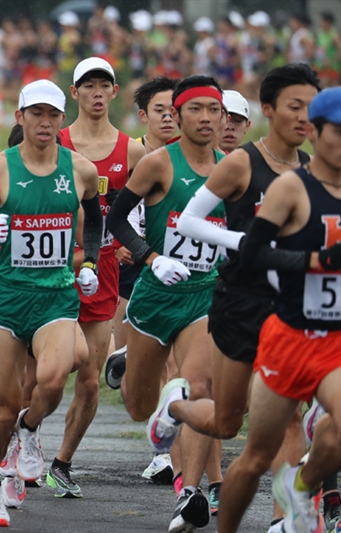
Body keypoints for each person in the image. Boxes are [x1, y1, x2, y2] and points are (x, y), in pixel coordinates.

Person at [174, 64, 321, 533]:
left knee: (290, 418)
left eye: (311, 109)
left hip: (292, 306)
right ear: (269, 109)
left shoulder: (314, 168)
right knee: (226, 422)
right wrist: (251, 245)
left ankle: (283, 520)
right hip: (240, 301)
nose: (304, 118)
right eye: (294, 107)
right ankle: (174, 406)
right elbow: (189, 222)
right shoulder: (241, 162)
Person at [0, 79, 100, 526]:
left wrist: (89, 262)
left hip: (56, 296)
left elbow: (95, 218)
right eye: (36, 113)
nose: (45, 122)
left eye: (53, 114)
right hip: (9, 301)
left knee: (53, 380)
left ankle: (30, 428)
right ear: (20, 117)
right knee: (1, 409)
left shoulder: (81, 170)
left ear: (62, 119)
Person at [106, 75, 227, 533]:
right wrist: (150, 258)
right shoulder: (159, 164)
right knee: (138, 406)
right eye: (194, 109)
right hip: (154, 297)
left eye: (212, 110)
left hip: (203, 294)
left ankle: (190, 493)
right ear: (176, 116)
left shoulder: (231, 168)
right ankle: (159, 400)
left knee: (200, 386)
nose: (205, 118)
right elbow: (117, 218)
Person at [222, 86, 341, 533]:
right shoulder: (293, 187)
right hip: (289, 337)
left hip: (335, 342)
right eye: (339, 132)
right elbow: (251, 254)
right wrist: (313, 262)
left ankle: (301, 485)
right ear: (315, 131)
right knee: (254, 459)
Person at [51, 57, 146, 498]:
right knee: (46, 374)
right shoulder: (56, 140)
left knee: (89, 379)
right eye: (87, 85)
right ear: (74, 93)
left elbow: (144, 211)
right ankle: (26, 431)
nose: (95, 92)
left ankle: (62, 462)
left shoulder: (133, 152)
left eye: (103, 85)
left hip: (104, 269)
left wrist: (141, 247)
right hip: (52, 268)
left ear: (113, 92)